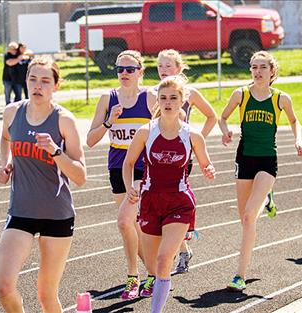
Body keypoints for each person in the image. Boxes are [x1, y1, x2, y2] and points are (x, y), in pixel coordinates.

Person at [0, 56, 87, 312]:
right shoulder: (12, 112)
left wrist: (56, 152)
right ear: (26, 81)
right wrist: (6, 163)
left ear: (55, 86)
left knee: (47, 295)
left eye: (45, 81)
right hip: (20, 212)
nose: (38, 86)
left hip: (56, 215)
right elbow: (5, 138)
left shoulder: (63, 120)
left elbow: (80, 176)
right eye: (33, 79)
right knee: (4, 286)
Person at [122, 75, 215, 312]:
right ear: (158, 102)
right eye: (163, 98)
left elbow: (205, 162)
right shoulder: (146, 132)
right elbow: (128, 163)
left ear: (182, 101)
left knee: (164, 260)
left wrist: (208, 169)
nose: (168, 102)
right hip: (151, 202)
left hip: (179, 202)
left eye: (174, 98)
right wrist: (130, 188)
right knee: (154, 267)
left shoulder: (192, 135)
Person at [219, 51, 302, 291]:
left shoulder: (281, 98)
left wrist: (298, 140)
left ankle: (240, 275)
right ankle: (266, 198)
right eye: (253, 67)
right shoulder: (241, 94)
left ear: (271, 72)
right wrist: (225, 132)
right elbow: (223, 117)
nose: (257, 72)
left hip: (267, 160)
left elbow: (294, 120)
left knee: (249, 216)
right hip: (244, 158)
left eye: (262, 67)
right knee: (245, 220)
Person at [86, 50, 157, 300]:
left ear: (140, 71)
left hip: (143, 168)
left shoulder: (150, 98)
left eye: (130, 69)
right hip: (118, 167)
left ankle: (133, 277)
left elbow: (169, 128)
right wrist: (108, 122)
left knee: (127, 221)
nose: (124, 74)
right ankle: (154, 273)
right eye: (120, 69)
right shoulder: (108, 99)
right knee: (131, 227)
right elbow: (90, 140)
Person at [155, 49, 217, 274]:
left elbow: (212, 116)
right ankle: (181, 249)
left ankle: (176, 250)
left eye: (168, 66)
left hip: (181, 157)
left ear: (179, 69)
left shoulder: (190, 94)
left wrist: (197, 141)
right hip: (157, 156)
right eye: (160, 66)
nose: (163, 70)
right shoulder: (156, 93)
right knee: (159, 207)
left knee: (171, 204)